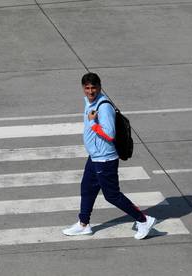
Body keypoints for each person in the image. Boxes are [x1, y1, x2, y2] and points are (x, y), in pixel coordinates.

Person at [62, 72, 157, 240]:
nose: (90, 91)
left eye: (94, 88)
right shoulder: (90, 101)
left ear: (100, 87)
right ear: (83, 88)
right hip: (95, 157)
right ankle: (83, 224)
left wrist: (93, 123)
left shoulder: (103, 107)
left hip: (105, 159)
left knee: (112, 195)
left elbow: (109, 134)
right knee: (87, 189)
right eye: (87, 88)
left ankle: (144, 220)